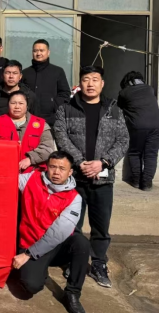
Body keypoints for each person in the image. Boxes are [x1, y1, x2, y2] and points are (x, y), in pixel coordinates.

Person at [54, 66, 129, 288]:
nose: (90, 84)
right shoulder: (67, 108)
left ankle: (98, 264)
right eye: (86, 79)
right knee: (72, 224)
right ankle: (73, 261)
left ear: (102, 83)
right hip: (75, 177)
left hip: (103, 178)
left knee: (101, 225)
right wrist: (80, 161)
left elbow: (123, 140)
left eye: (95, 79)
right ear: (80, 83)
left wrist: (103, 162)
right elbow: (61, 135)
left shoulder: (114, 110)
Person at [14, 151, 89, 313]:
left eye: (62, 169)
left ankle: (72, 294)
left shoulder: (74, 198)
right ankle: (39, 269)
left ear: (70, 172)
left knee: (81, 243)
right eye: (53, 167)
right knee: (31, 286)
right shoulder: (30, 179)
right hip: (30, 241)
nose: (56, 172)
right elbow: (5, 180)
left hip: (54, 246)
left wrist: (28, 255)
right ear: (46, 167)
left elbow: (58, 233)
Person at [0, 91, 53, 173]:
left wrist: (30, 159)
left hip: (33, 172)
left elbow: (48, 148)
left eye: (21, 103)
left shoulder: (41, 124)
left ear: (27, 105)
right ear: (8, 105)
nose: (17, 107)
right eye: (13, 103)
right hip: (4, 170)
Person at [118, 71, 159, 191]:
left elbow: (119, 108)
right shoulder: (150, 89)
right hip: (155, 126)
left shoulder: (124, 92)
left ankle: (136, 181)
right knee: (151, 155)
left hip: (137, 126)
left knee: (135, 153)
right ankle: (147, 184)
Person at [22, 39, 71, 126]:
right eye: (35, 51)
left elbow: (65, 93)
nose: (38, 53)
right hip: (28, 118)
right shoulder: (25, 73)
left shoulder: (57, 71)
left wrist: (53, 106)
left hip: (51, 119)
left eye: (42, 50)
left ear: (48, 52)